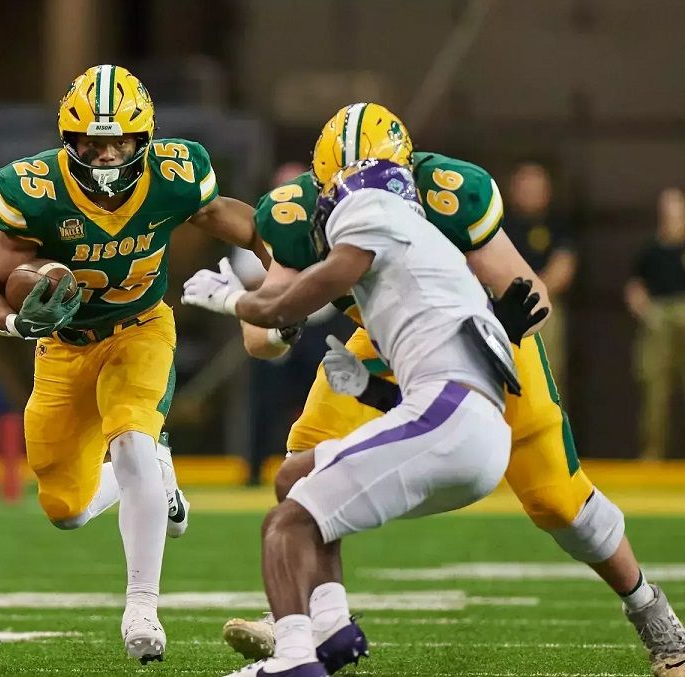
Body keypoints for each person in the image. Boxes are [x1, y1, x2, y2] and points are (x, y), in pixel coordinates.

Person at [212, 103, 685, 677]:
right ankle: (309, 618)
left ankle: (652, 613)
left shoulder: (453, 192)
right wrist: (278, 322)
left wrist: (494, 328)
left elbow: (531, 300)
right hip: (380, 343)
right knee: (302, 461)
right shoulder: (295, 216)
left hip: (483, 343)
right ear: (320, 184)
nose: (365, 195)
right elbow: (262, 339)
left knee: (557, 499)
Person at [0, 64, 268, 662]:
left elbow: (237, 221)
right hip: (64, 348)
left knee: (130, 438)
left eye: (118, 142)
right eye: (92, 143)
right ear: (70, 142)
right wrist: (15, 322)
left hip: (140, 329)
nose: (105, 156)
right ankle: (159, 473)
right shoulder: (35, 189)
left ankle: (142, 608)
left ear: (142, 141)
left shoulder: (176, 175)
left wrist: (279, 261)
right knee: (67, 511)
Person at [184, 158, 518, 676]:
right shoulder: (424, 260)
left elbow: (282, 307)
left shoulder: (372, 215)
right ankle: (334, 628)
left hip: (450, 421)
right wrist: (365, 387)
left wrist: (233, 300)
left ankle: (294, 658)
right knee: (298, 476)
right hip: (466, 423)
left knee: (286, 523)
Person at [625, 187, 685, 460]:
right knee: (655, 395)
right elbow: (635, 286)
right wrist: (645, 310)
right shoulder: (649, 250)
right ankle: (652, 456)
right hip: (657, 323)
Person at [503, 162, 577, 383]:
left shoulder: (558, 226)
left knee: (547, 377)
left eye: (536, 187)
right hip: (503, 307)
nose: (530, 192)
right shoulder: (498, 224)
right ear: (512, 189)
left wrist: (531, 292)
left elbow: (563, 269)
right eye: (525, 186)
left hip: (544, 309)